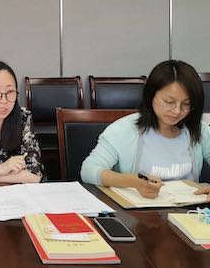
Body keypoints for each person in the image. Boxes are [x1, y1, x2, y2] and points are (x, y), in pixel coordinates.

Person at [81, 60, 210, 199]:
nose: (177, 111)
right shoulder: (123, 130)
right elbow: (88, 170)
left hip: (188, 210)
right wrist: (132, 182)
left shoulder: (199, 130)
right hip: (140, 209)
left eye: (186, 104)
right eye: (169, 102)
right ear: (151, 95)